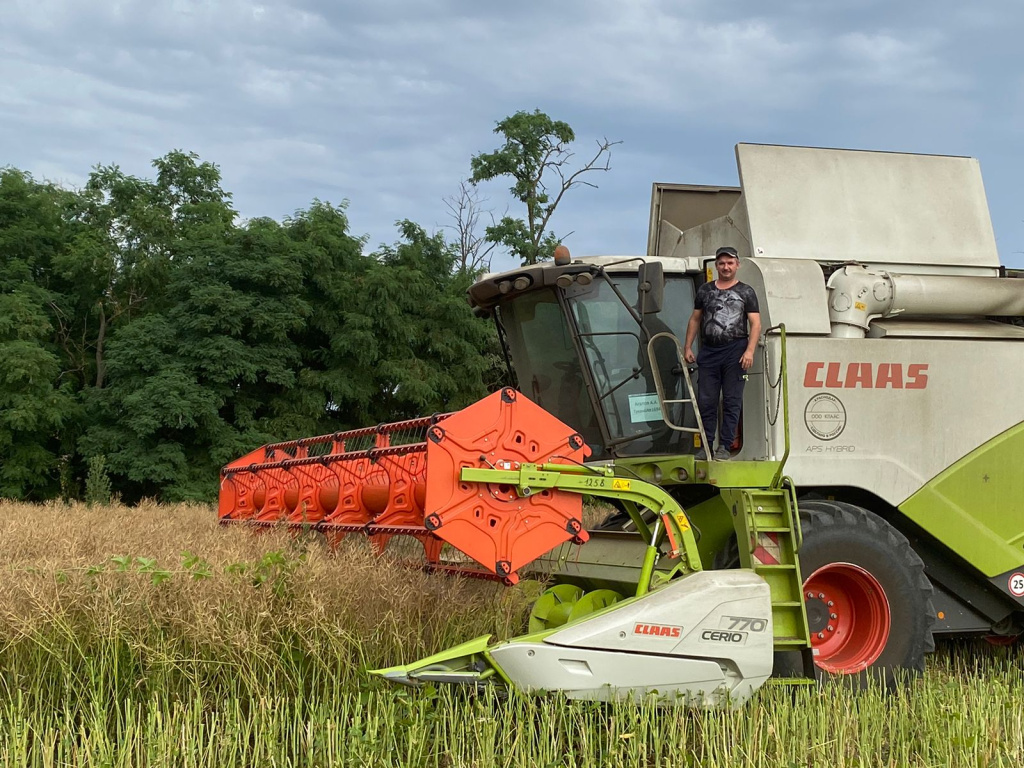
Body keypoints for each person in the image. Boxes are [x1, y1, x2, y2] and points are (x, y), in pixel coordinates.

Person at [683, 246, 761, 460]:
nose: (726, 267)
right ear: (716, 266)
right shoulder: (705, 291)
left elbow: (755, 323)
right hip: (709, 351)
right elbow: (695, 319)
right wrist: (688, 346)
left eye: (730, 263)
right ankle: (706, 445)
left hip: (735, 351)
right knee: (706, 400)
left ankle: (725, 446)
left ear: (737, 265)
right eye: (722, 263)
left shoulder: (746, 292)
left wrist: (750, 351)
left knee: (731, 399)